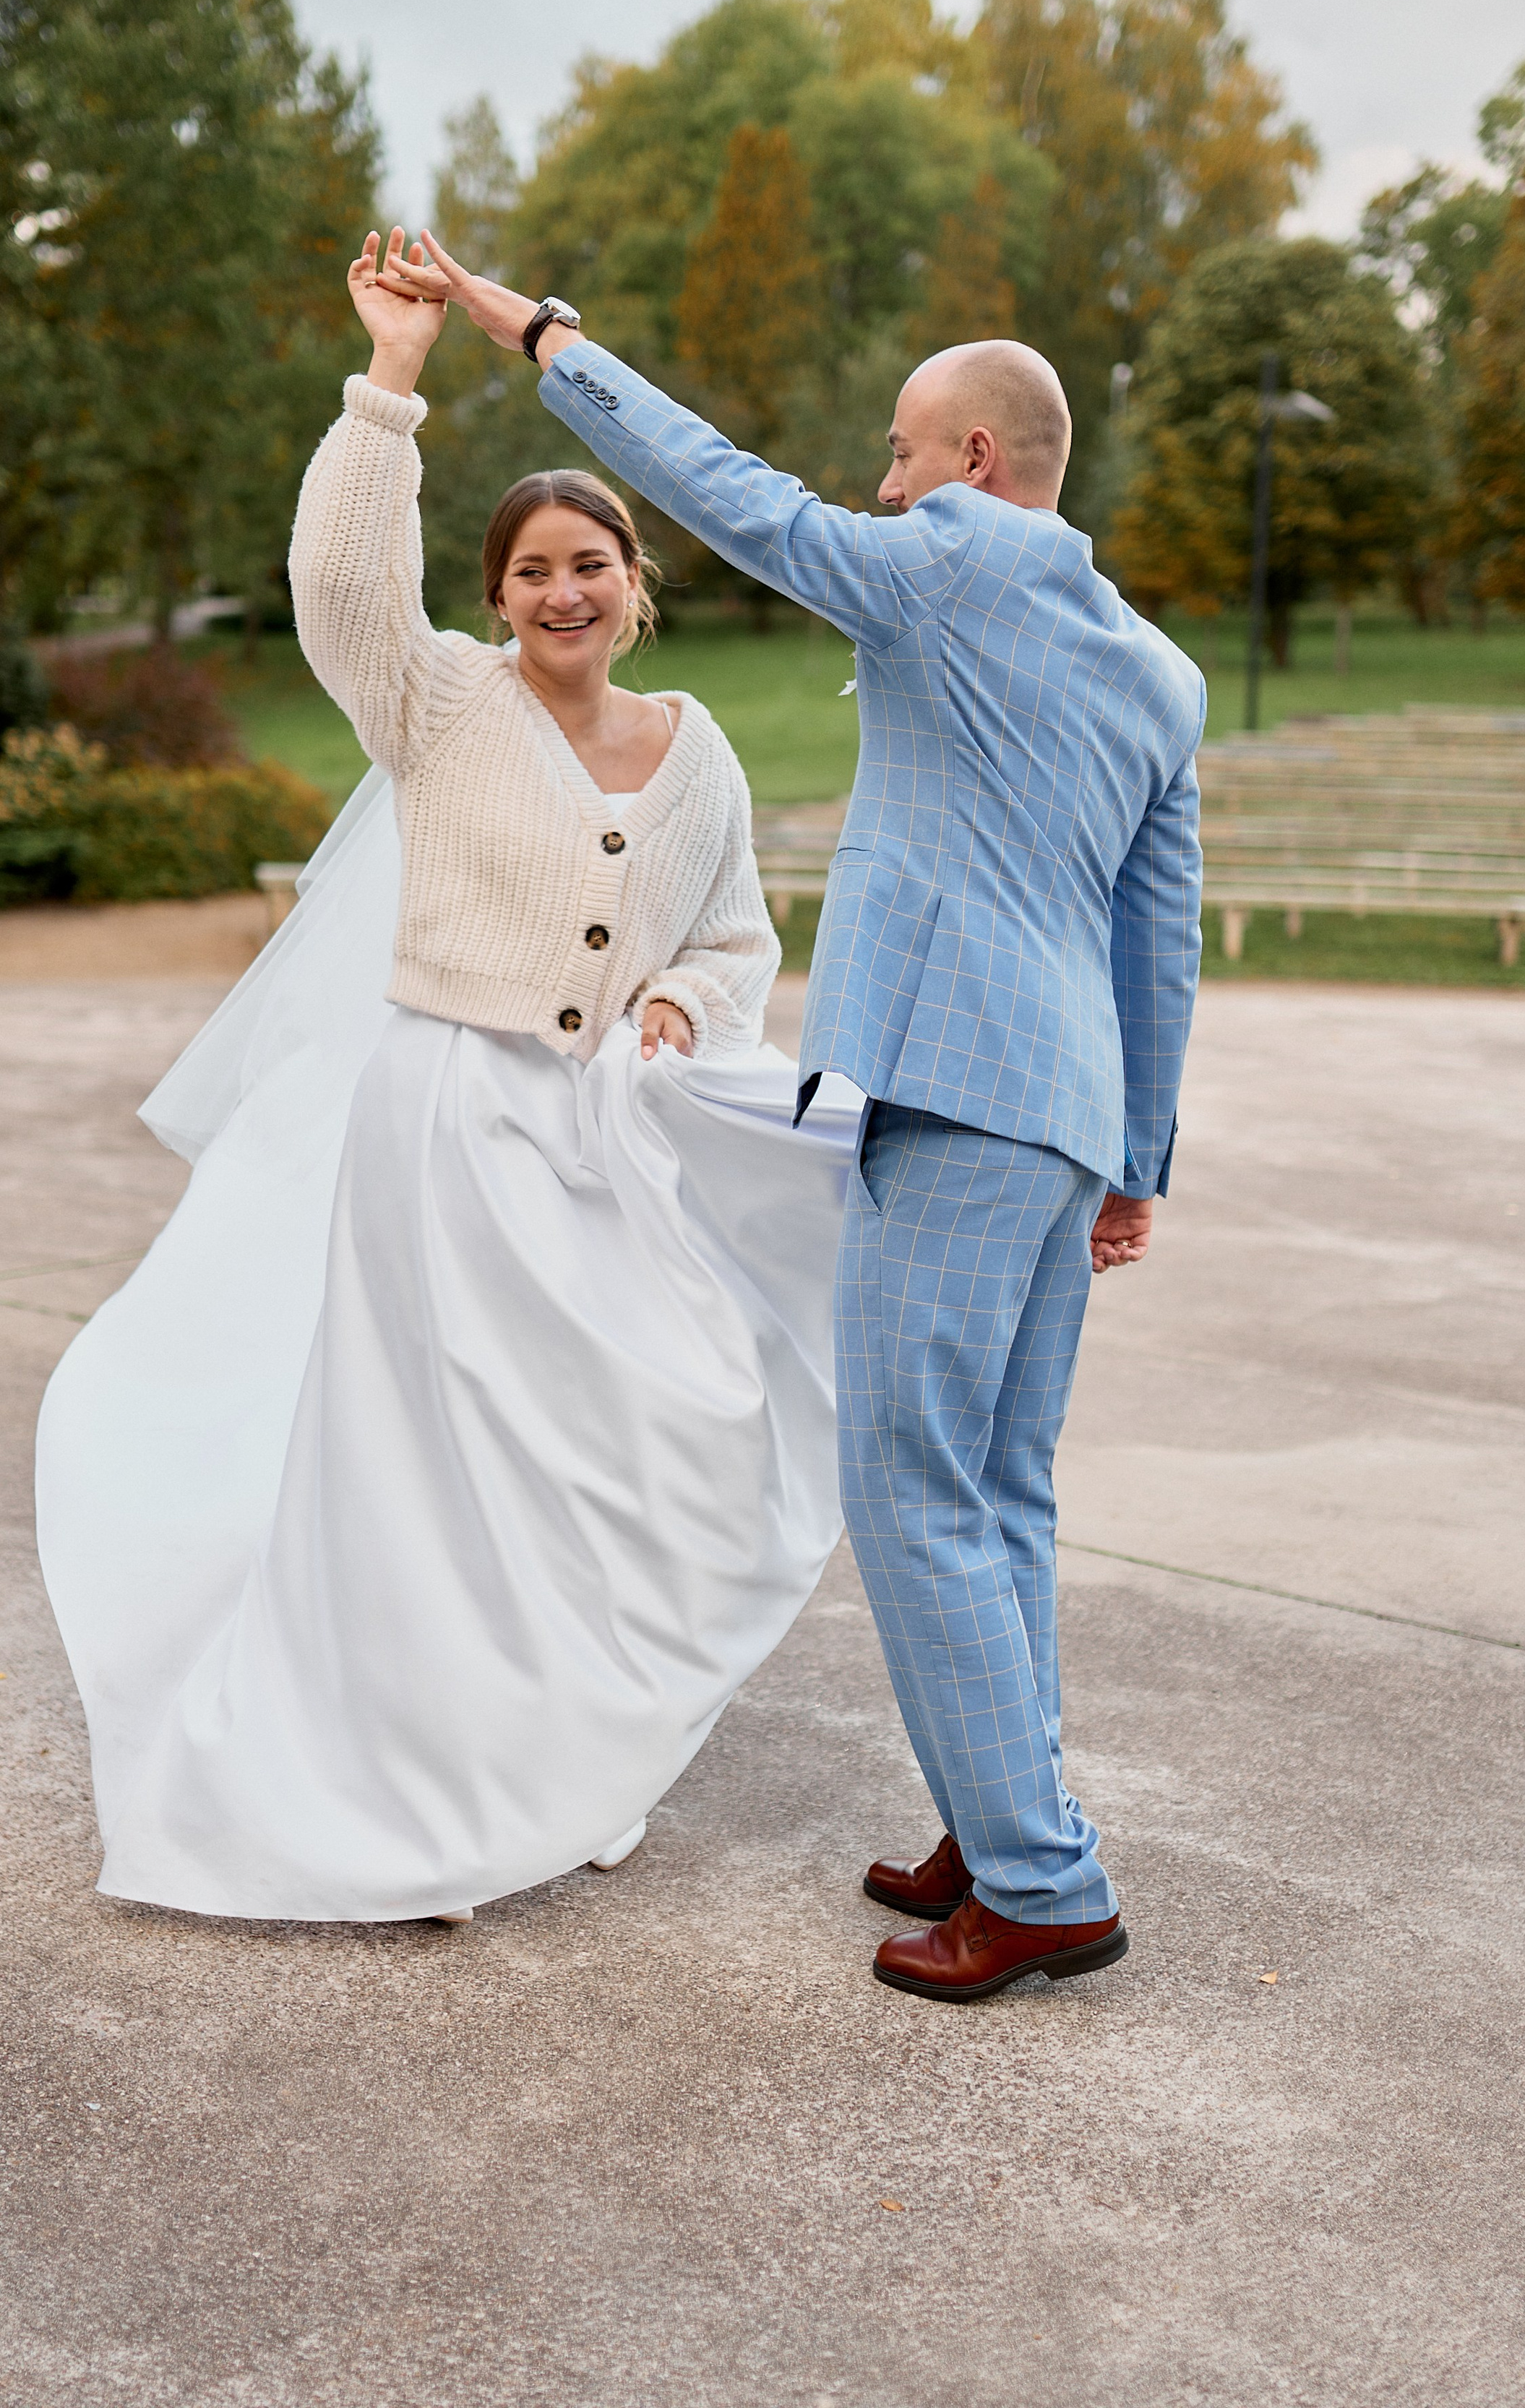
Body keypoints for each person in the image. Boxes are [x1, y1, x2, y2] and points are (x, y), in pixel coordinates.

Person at [387, 233, 1206, 2002]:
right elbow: (1160, 932)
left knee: (908, 1488)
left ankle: (1041, 1882)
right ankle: (1000, 1815)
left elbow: (729, 493)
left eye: (900, 455)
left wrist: (538, 335)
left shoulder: (945, 567)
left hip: (958, 1100)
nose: (880, 486)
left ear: (972, 460)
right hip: (1062, 1118)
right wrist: (1135, 1158)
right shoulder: (1157, 666)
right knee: (999, 1486)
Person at [35, 231, 858, 1926]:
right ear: (496, 599)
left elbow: (732, 934)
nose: (564, 591)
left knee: (627, 1451)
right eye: (532, 570)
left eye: (590, 563)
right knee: (437, 1468)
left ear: (635, 583)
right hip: (445, 1129)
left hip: (609, 1149)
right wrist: (390, 381)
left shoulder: (695, 748)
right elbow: (340, 587)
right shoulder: (435, 704)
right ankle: (421, 1774)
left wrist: (680, 1005)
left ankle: (563, 1753)